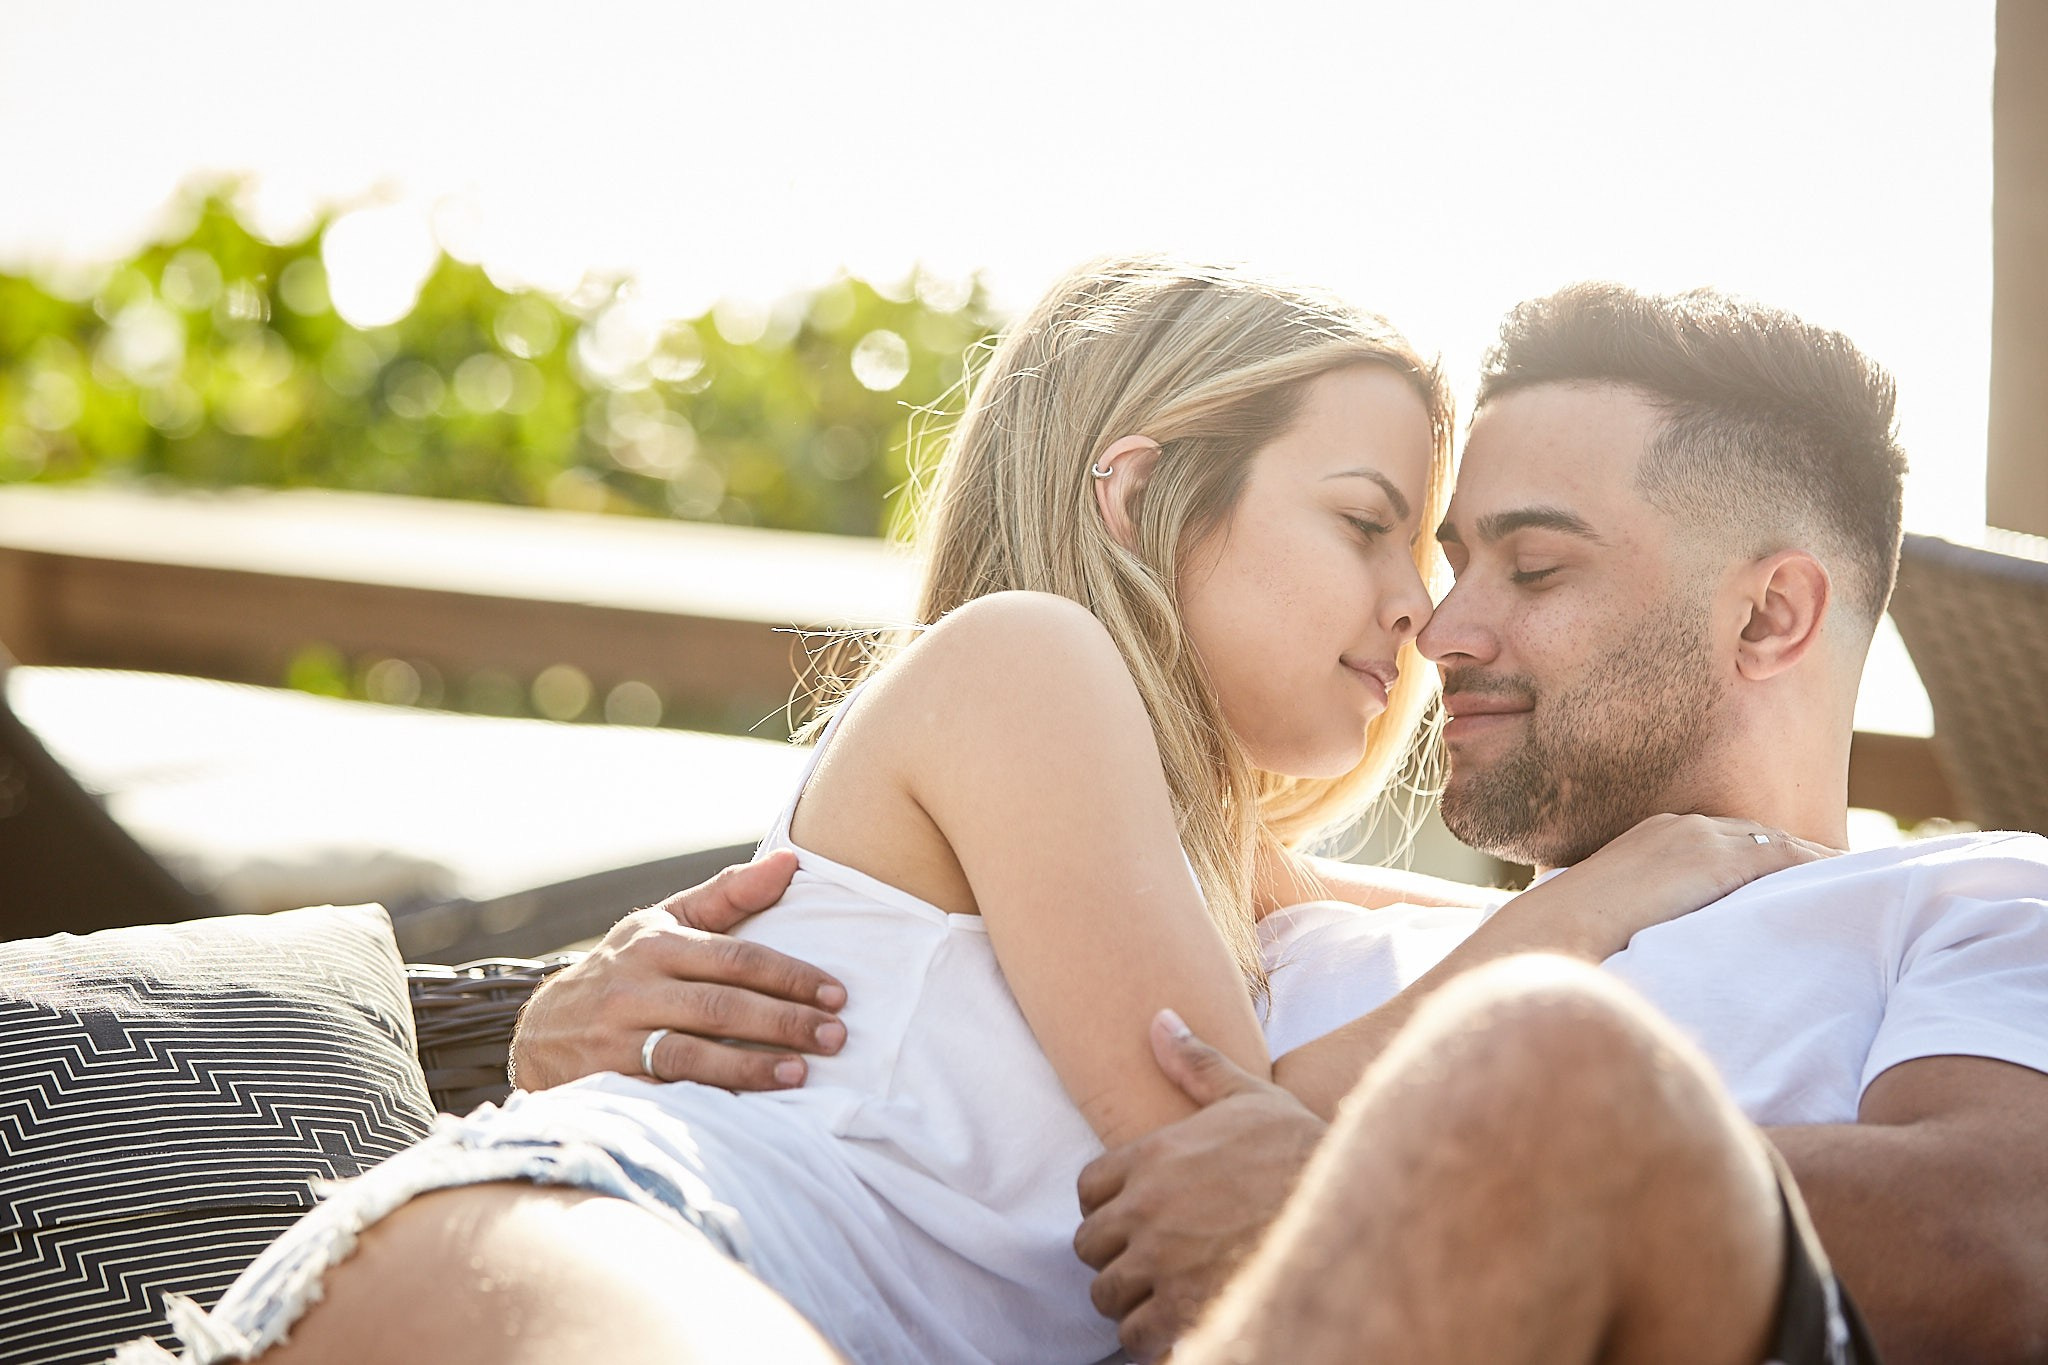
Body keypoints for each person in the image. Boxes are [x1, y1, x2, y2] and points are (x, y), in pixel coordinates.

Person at [135, 260, 1803, 1365]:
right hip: (601, 1238)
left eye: (1427, 555)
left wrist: (1768, 872)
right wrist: (1595, 901)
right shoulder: (1026, 663)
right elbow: (1219, 1135)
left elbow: (1494, 952)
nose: (1419, 614)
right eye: (1367, 522)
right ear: (1143, 494)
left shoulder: (1229, 884)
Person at [515, 284, 2048, 1365]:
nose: (1437, 624)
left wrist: (1399, 1172)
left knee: (1557, 1067)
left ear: (1773, 611)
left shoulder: (1971, 900)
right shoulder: (1249, 903)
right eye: (1412, 546)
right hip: (648, 1258)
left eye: (1534, 564)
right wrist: (569, 1009)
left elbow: (1998, 1248)